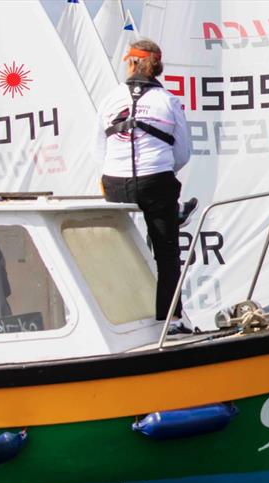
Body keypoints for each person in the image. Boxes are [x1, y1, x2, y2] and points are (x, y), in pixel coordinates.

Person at [93, 39, 193, 334]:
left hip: (115, 183)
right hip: (155, 181)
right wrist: (160, 174)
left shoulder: (110, 98)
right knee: (167, 254)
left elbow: (98, 151)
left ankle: (115, 323)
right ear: (157, 66)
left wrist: (117, 173)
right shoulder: (169, 100)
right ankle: (170, 321)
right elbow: (183, 154)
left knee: (116, 253)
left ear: (131, 63)